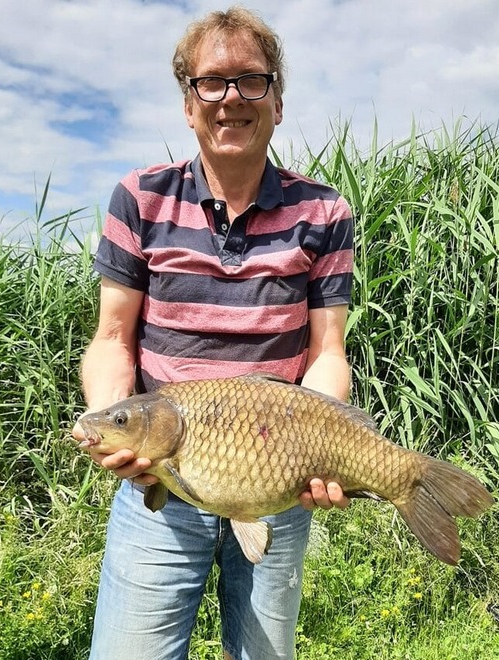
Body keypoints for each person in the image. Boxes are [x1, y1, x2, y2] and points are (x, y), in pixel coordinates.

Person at [73, 6, 354, 659]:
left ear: (277, 101)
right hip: (161, 484)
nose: (231, 97)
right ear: (188, 103)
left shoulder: (324, 210)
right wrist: (107, 423)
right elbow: (113, 341)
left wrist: (326, 441)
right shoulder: (139, 199)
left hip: (277, 474)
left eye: (251, 80)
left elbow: (328, 353)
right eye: (212, 82)